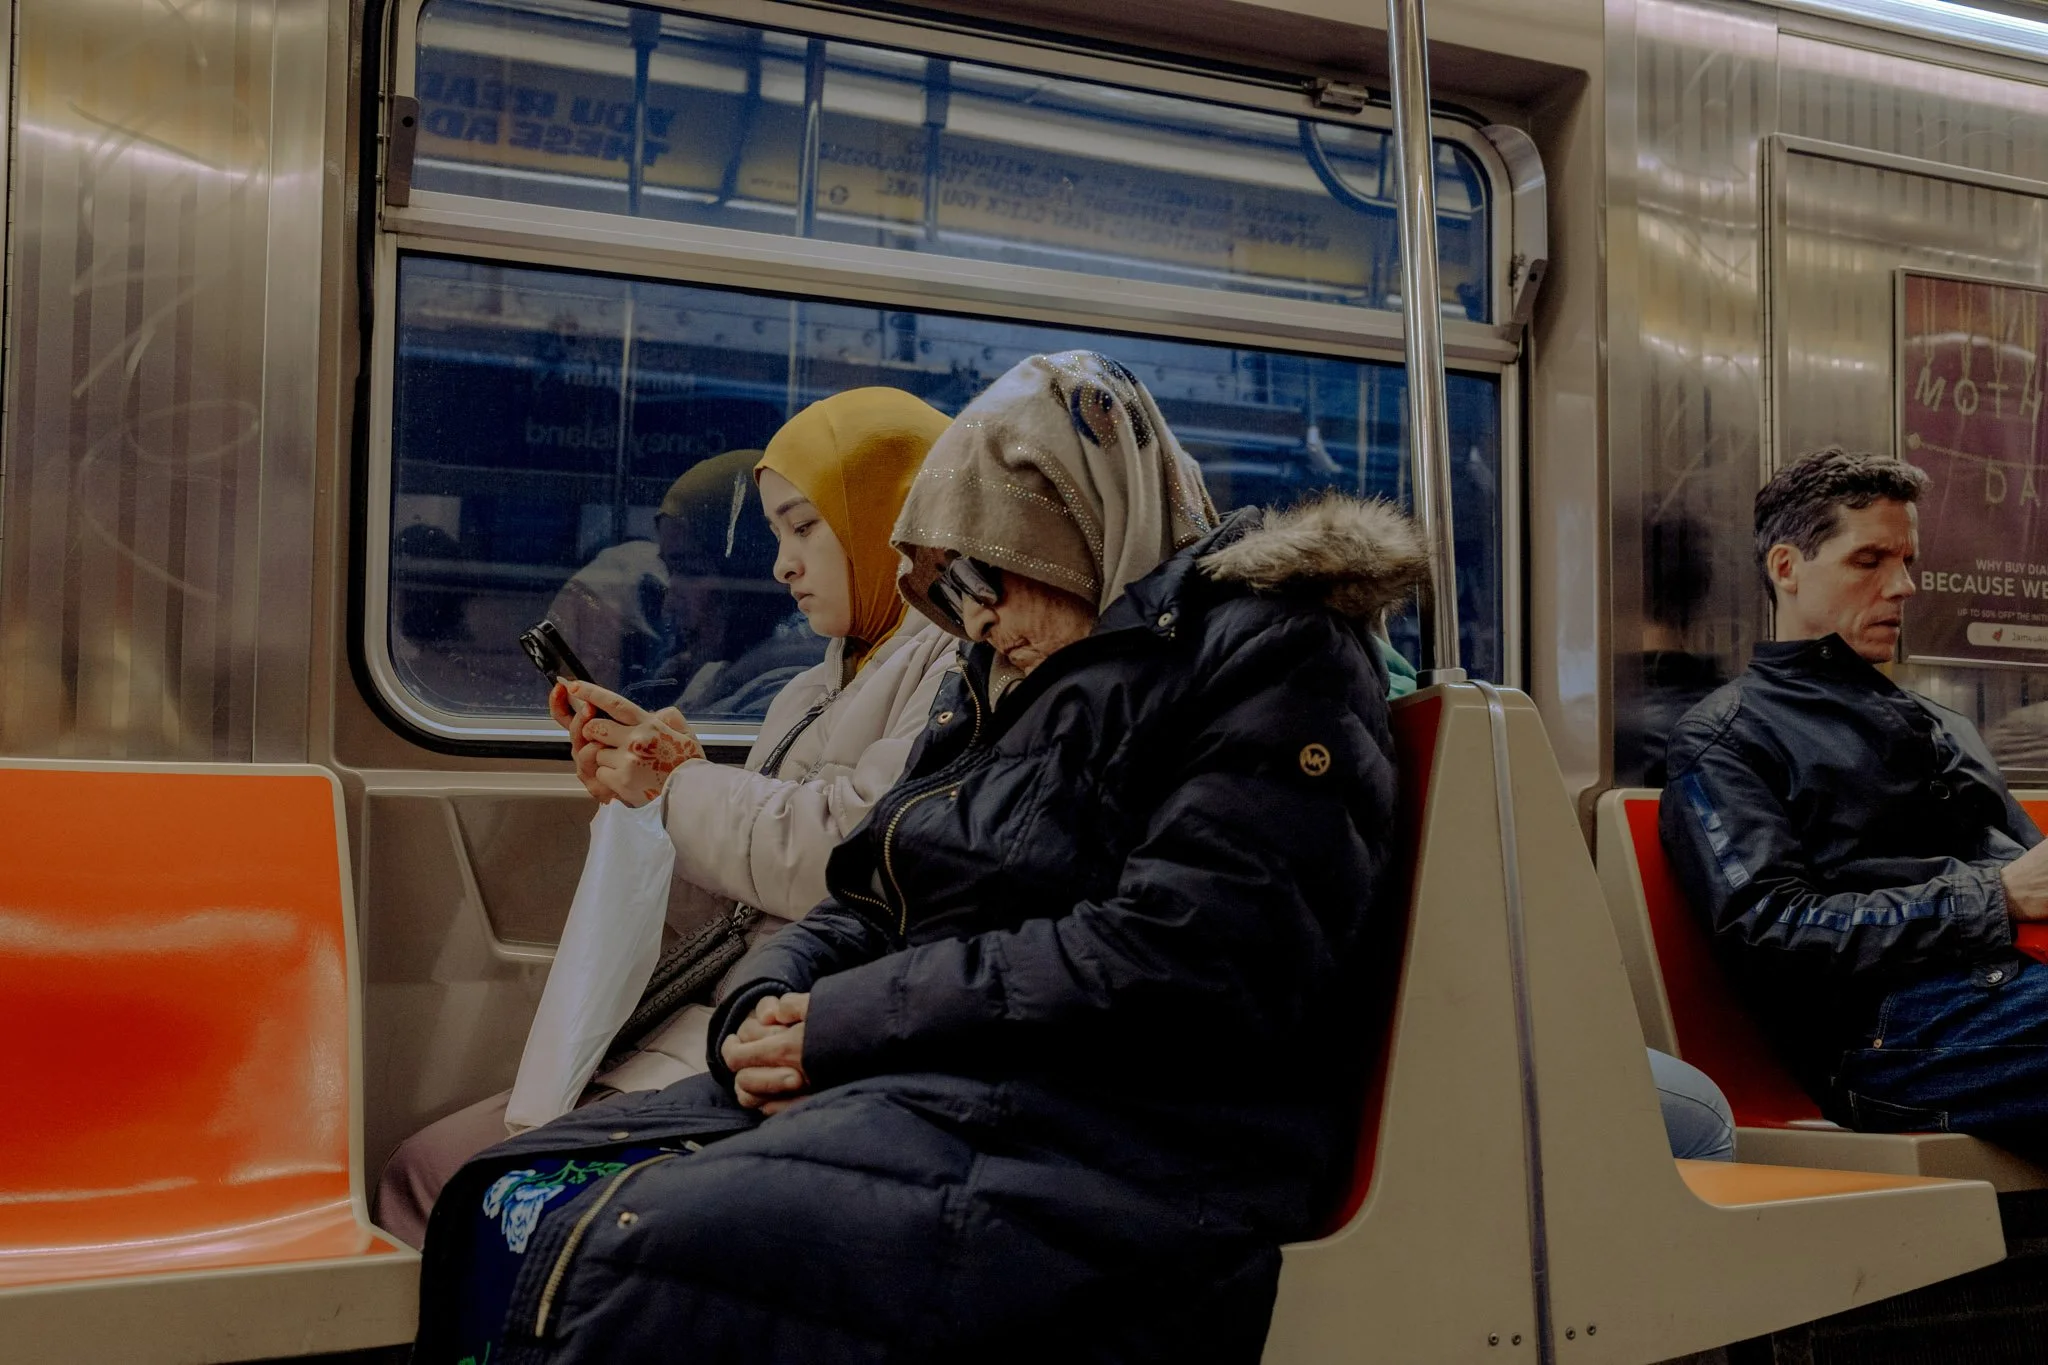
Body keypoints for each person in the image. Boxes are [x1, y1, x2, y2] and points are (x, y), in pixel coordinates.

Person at [410, 350, 1431, 1364]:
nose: (975, 621)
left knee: (632, 1250)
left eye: (985, 574)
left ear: (1074, 528)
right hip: (958, 1075)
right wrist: (765, 1005)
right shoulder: (1000, 675)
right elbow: (878, 880)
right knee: (509, 1186)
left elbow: (1189, 960)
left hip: (1134, 1129)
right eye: (946, 596)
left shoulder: (1268, 653)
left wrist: (848, 1025)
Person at [375, 388, 959, 1248]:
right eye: (776, 536)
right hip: (708, 1018)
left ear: (888, 515)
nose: (782, 566)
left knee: (445, 1181)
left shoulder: (951, 672)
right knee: (425, 1168)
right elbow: (735, 892)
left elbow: (847, 852)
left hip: (776, 1039)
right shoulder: (810, 686)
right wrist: (643, 802)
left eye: (805, 527)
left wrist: (678, 787)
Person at [1661, 445, 2048, 1145]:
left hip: (2012, 993)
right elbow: (1771, 929)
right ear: (1787, 568)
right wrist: (1993, 898)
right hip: (1894, 1037)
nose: (1902, 587)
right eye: (1870, 561)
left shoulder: (1943, 723)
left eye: (1907, 563)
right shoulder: (1729, 736)